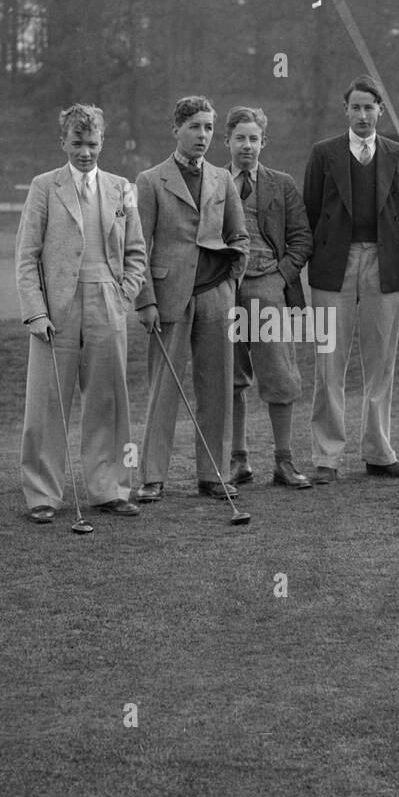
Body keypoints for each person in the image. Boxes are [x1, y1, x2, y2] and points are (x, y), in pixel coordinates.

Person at [16, 103, 148, 523]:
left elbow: (136, 253)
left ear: (102, 142)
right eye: (77, 143)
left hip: (108, 303)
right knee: (47, 402)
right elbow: (26, 256)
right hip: (57, 309)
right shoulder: (44, 187)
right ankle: (42, 495)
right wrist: (36, 313)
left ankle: (108, 489)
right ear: (63, 142)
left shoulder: (121, 188)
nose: (85, 152)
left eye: (92, 143)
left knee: (108, 399)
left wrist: (123, 295)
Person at [133, 97, 249, 502]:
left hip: (217, 297)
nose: (203, 136)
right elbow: (137, 246)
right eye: (195, 127)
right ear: (176, 130)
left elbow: (240, 237)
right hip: (168, 300)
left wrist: (229, 281)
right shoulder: (150, 181)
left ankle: (214, 475)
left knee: (216, 387)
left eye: (208, 128)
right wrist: (145, 301)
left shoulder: (221, 179)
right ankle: (152, 476)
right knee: (164, 388)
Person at [303, 74, 399, 483]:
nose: (363, 114)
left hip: (384, 264)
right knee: (329, 361)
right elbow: (312, 209)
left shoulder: (396, 155)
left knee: (381, 361)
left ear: (380, 111)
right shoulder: (323, 154)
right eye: (356, 107)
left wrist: (376, 248)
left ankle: (378, 452)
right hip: (334, 265)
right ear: (345, 110)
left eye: (370, 107)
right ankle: (326, 457)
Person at [224, 106, 315, 489]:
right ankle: (238, 461)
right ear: (227, 140)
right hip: (223, 288)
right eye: (240, 138)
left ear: (264, 142)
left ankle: (284, 461)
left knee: (279, 374)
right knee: (229, 377)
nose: (247, 145)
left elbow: (302, 239)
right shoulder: (212, 183)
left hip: (267, 286)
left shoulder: (282, 184)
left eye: (254, 138)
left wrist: (281, 276)